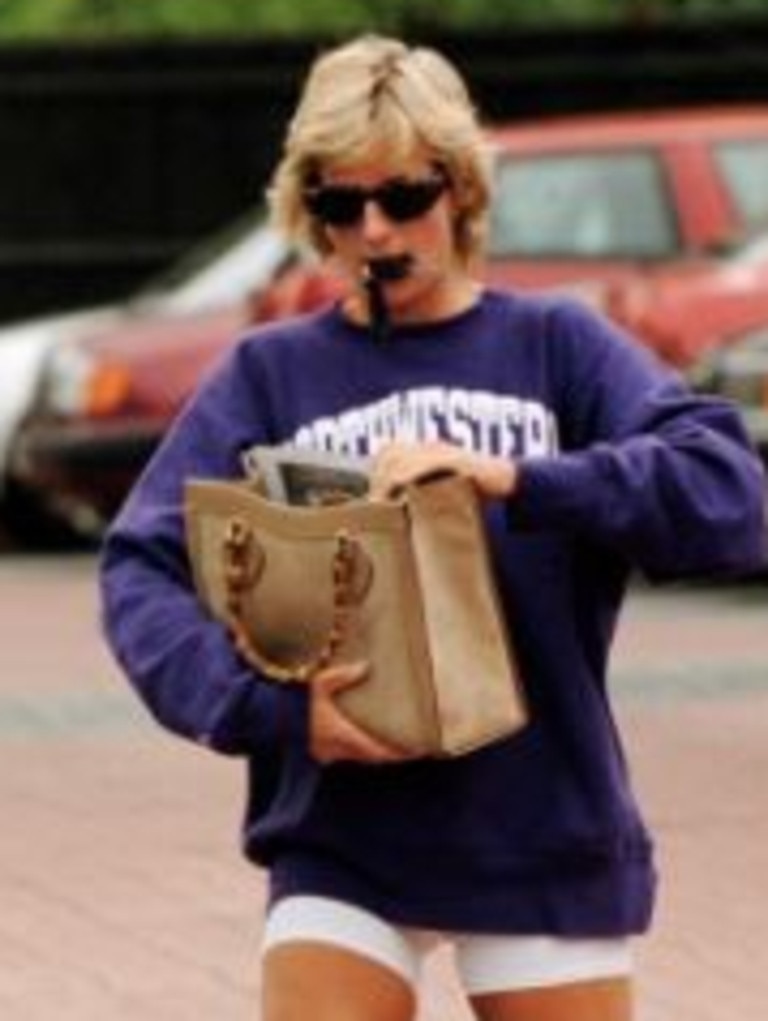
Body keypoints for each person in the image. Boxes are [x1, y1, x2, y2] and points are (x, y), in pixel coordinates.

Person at [99, 34, 766, 1021]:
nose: (374, 232)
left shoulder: (557, 345)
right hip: (341, 833)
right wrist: (264, 710)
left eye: (404, 197)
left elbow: (733, 496)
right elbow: (139, 565)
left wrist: (519, 479)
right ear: (307, 213)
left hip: (541, 824)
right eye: (339, 206)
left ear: (458, 192)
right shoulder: (267, 374)